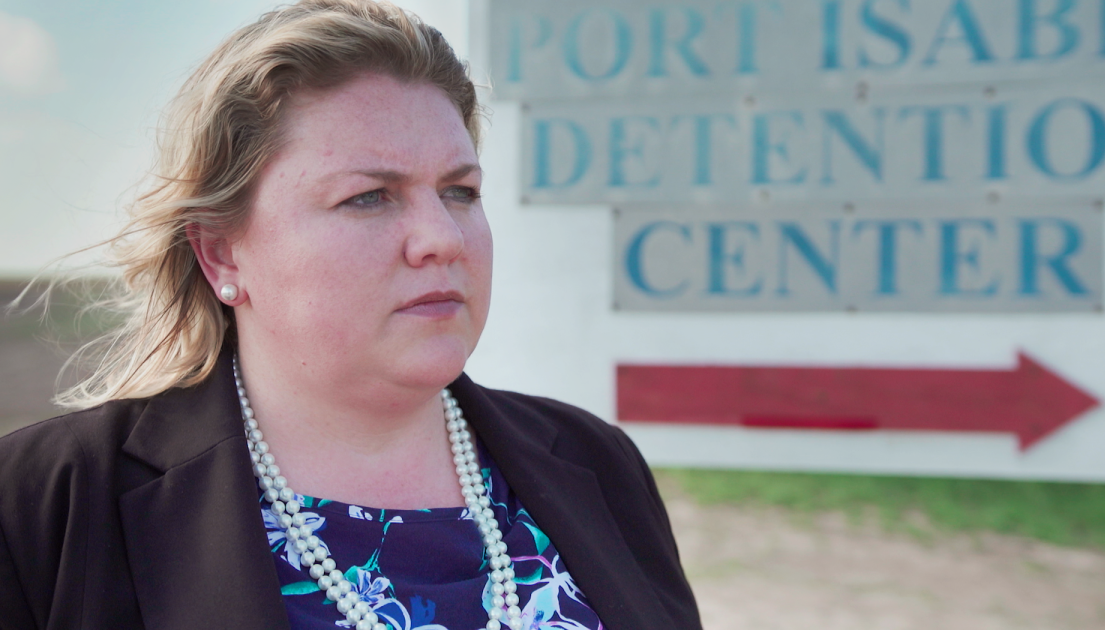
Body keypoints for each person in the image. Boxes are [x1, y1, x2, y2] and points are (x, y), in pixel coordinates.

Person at [0, 1, 701, 628]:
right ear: (221, 255)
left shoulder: (595, 462)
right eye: (368, 197)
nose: (442, 238)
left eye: (459, 191)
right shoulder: (48, 502)